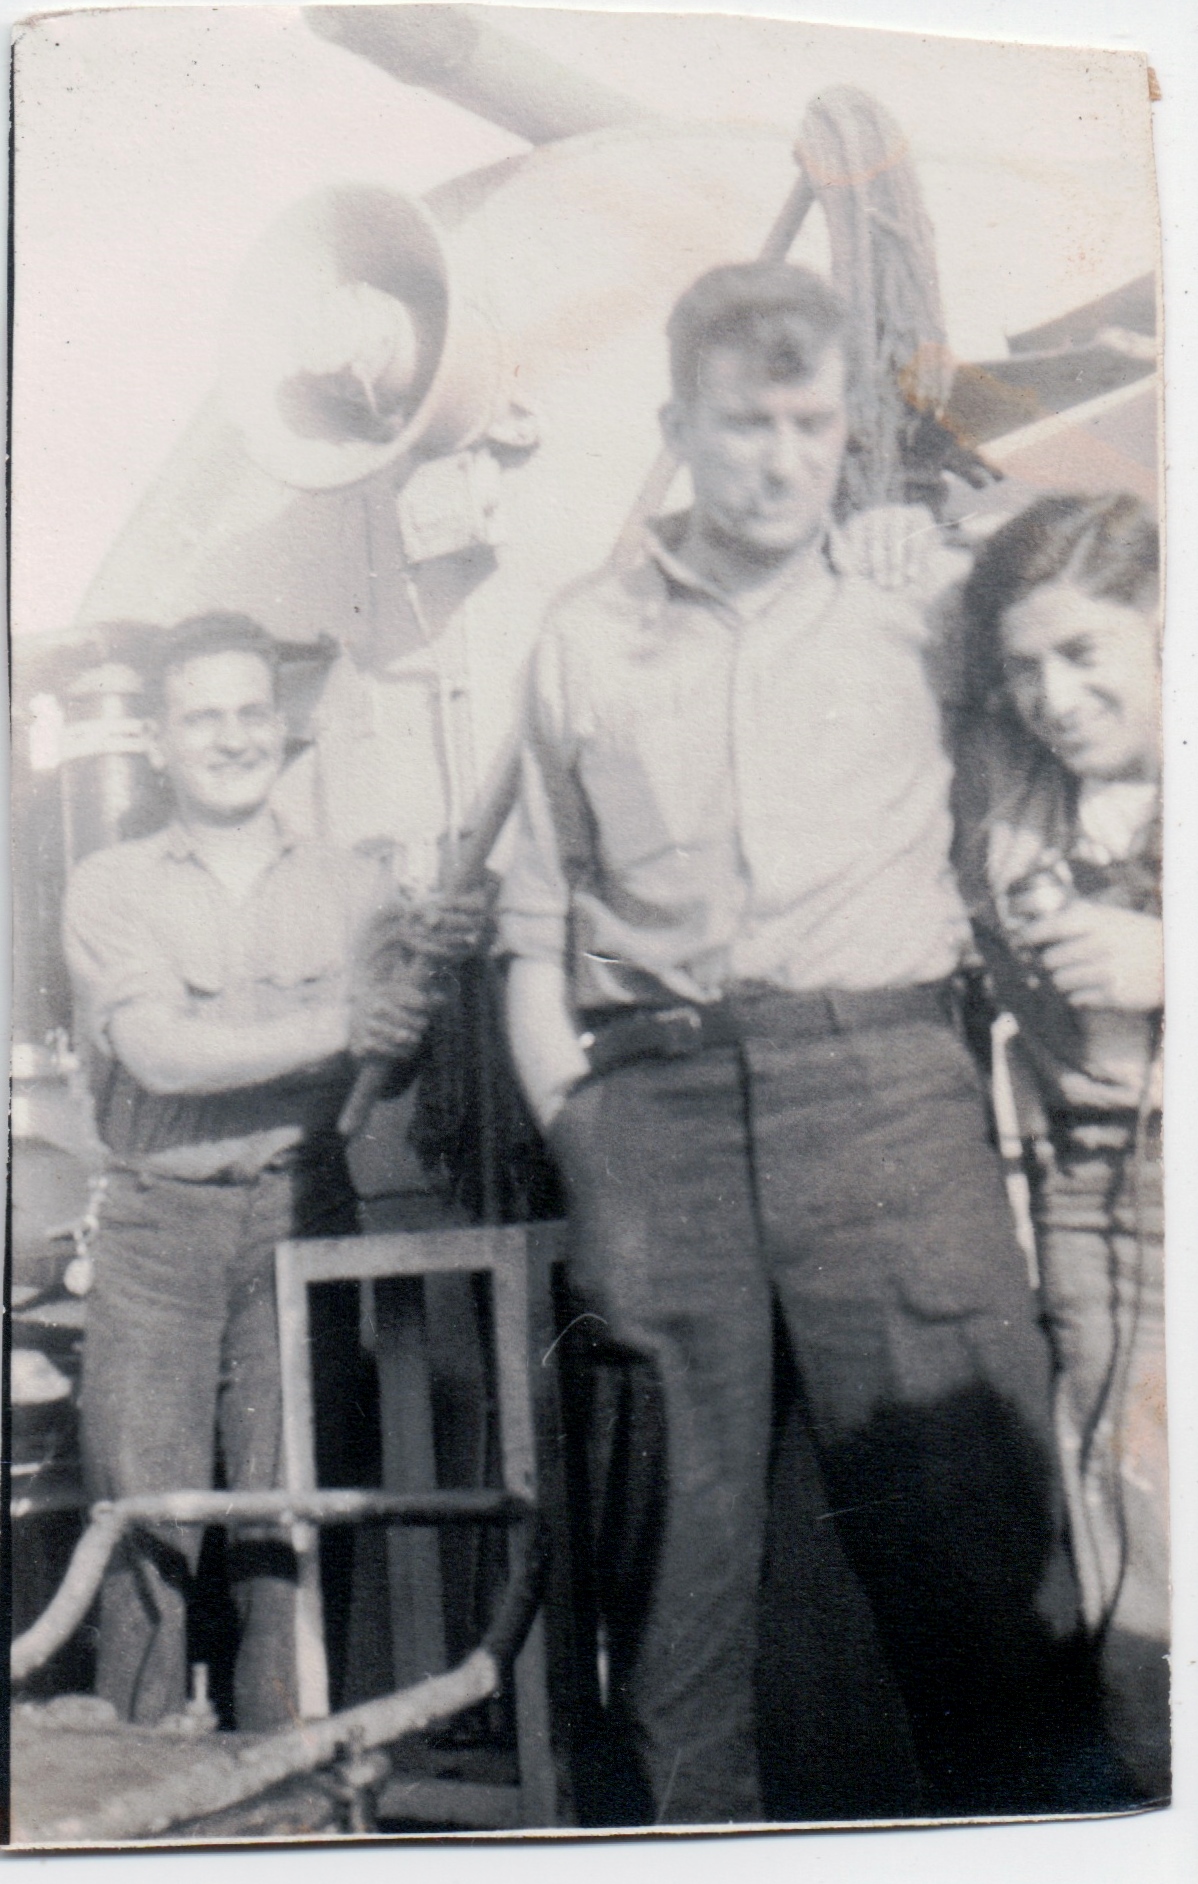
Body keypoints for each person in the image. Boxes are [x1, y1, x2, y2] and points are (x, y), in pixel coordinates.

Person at [498, 261, 1087, 1824]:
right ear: (673, 427)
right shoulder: (578, 642)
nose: (778, 459)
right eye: (742, 422)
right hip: (656, 1121)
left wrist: (952, 528)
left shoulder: (927, 604)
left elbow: (1112, 654)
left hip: (884, 1101)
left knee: (984, 1584)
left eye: (810, 422)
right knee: (672, 1623)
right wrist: (586, 1136)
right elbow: (532, 927)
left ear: (847, 428)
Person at [63, 611, 476, 1729]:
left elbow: (383, 1081)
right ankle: (143, 1807)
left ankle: (283, 1803)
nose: (232, 737)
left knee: (285, 1532)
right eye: (202, 717)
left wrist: (414, 1000)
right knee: (144, 1535)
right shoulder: (110, 886)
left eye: (251, 713)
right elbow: (159, 1053)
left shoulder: (353, 889)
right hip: (158, 1231)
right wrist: (347, 1019)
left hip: (303, 1214)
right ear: (159, 740)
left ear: (282, 727)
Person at [955, 492, 1168, 1800]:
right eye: (1023, 667)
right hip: (1089, 1191)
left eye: (1085, 652)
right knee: (1120, 1511)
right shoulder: (1016, 785)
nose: (1053, 693)